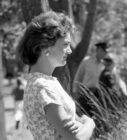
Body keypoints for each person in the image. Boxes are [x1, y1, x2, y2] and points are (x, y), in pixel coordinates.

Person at [17, 11, 95, 140]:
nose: (69, 51)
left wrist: (81, 124)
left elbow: (74, 125)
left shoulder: (44, 82)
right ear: (44, 46)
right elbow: (76, 138)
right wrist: (91, 123)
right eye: (65, 44)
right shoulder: (43, 86)